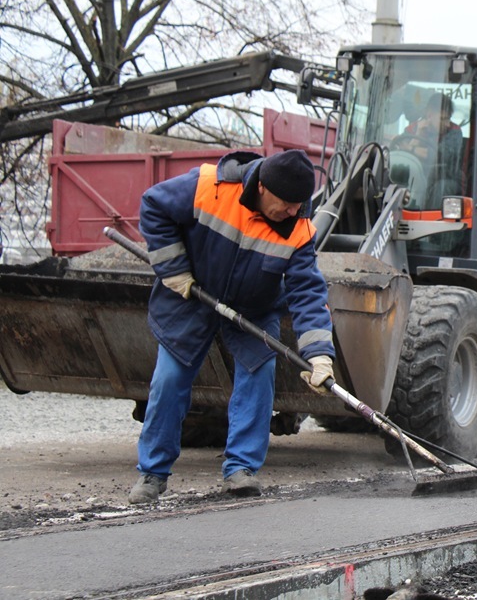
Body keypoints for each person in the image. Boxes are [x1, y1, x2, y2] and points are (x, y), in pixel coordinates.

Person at [128, 149, 337, 504]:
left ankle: (241, 469)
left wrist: (319, 355)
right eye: (287, 203)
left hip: (254, 308)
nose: (293, 212)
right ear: (262, 187)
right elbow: (154, 206)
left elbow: (307, 292)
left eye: (299, 205)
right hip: (193, 296)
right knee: (169, 379)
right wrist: (174, 270)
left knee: (259, 373)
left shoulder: (299, 228)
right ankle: (152, 473)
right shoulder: (209, 186)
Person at [394, 92, 463, 166]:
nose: (448, 124)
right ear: (429, 115)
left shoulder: (454, 131)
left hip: (445, 175)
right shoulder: (412, 129)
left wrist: (411, 148)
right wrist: (418, 135)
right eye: (443, 119)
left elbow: (441, 156)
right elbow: (402, 157)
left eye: (449, 119)